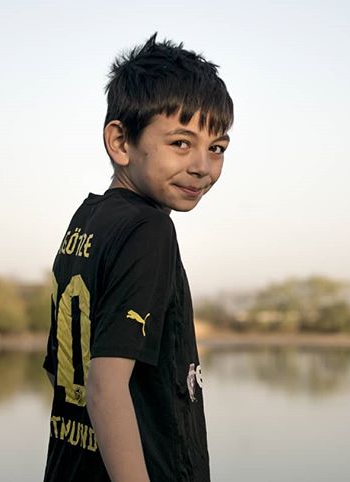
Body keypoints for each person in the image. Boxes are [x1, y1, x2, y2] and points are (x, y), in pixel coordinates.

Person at [42, 33, 233, 482]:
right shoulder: (151, 229)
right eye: (181, 143)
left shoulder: (87, 222)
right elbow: (106, 387)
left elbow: (59, 370)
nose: (203, 166)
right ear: (121, 142)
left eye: (217, 148)